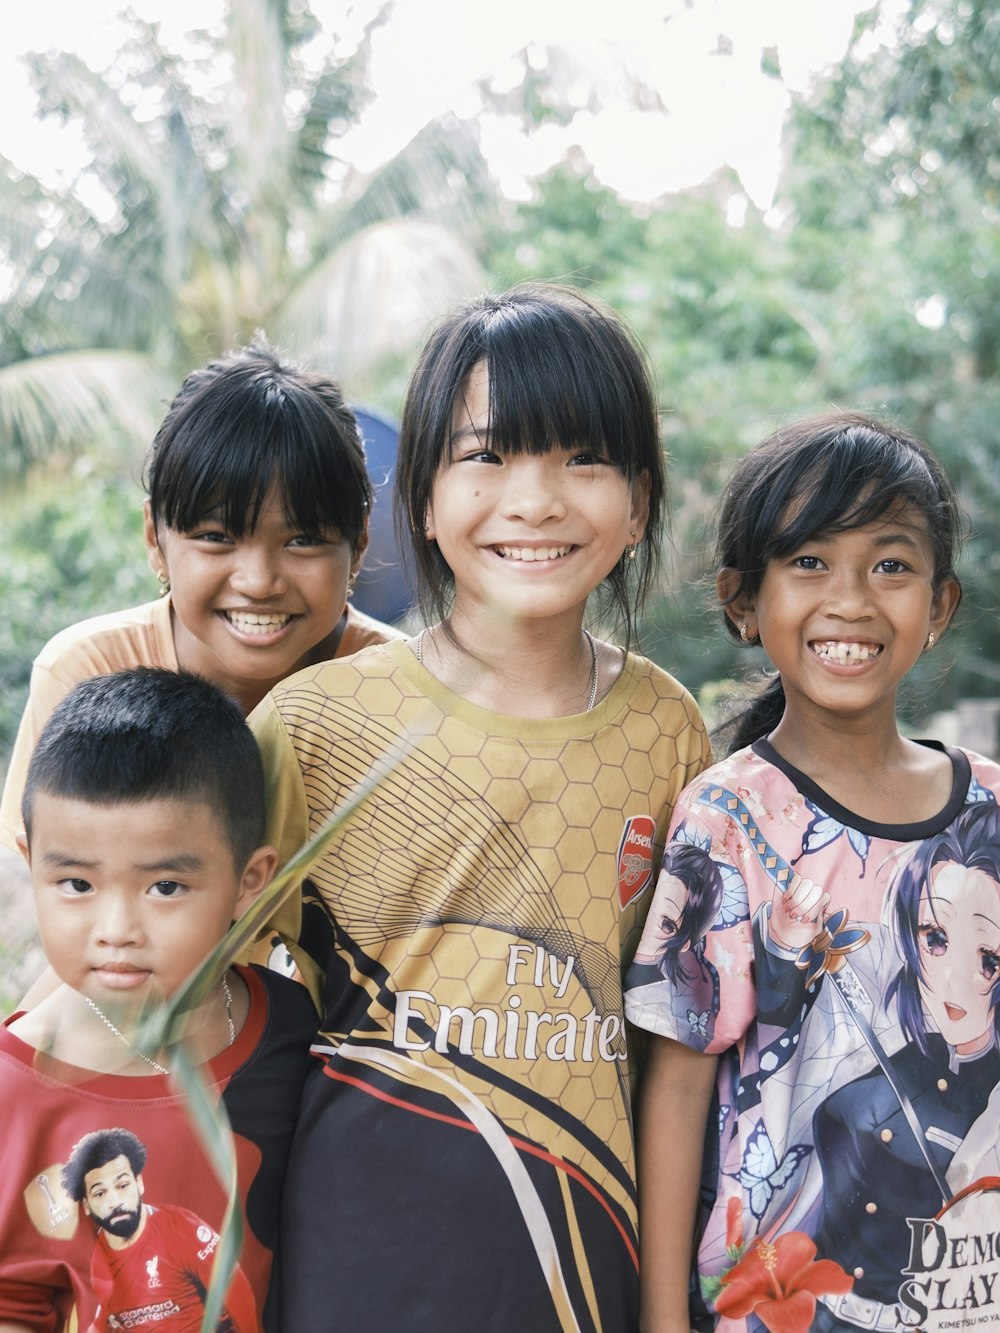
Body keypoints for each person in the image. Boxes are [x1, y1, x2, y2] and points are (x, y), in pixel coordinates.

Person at [249, 282, 711, 1331]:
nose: (535, 499)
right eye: (487, 455)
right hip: (349, 1270)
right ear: (418, 494)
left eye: (583, 459)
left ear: (638, 501)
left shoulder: (667, 730)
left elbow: (678, 1050)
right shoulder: (315, 724)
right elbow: (209, 1006)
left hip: (585, 1270)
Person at [624, 412, 1000, 1333]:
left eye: (891, 564)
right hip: (777, 1307)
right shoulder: (728, 817)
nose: (852, 599)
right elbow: (675, 1084)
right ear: (743, 602)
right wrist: (664, 1320)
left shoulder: (990, 809)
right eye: (808, 562)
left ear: (940, 604)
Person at [0, 668, 318, 1332]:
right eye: (77, 883)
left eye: (166, 887)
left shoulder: (294, 1029)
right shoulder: (14, 1089)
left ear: (248, 882)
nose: (116, 927)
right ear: (32, 865)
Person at [0, 336, 403, 855]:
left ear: (359, 545)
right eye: (216, 537)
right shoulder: (86, 671)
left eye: (302, 540)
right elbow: (60, 893)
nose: (258, 582)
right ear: (155, 539)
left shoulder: (400, 689)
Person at [62, 1128, 256, 1333]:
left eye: (123, 1185)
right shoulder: (90, 1255)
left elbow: (235, 1287)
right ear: (86, 1205)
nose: (115, 1202)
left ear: (139, 1183)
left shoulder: (179, 1228)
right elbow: (101, 1317)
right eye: (100, 1193)